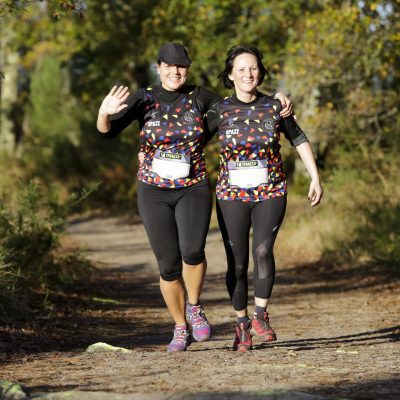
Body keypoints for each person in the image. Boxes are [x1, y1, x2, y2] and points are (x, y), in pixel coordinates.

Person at [97, 43, 292, 353]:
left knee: (192, 251)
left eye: (182, 66)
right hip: (153, 190)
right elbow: (106, 132)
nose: (176, 71)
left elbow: (241, 105)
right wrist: (103, 113)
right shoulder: (143, 98)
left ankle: (195, 306)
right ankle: (178, 327)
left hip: (193, 186)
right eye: (170, 66)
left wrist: (277, 102)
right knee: (167, 265)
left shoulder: (201, 97)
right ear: (158, 66)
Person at [205, 45, 323, 352]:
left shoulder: (275, 107)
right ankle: (241, 325)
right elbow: (192, 140)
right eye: (241, 69)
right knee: (238, 263)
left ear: (261, 72)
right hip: (231, 195)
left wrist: (315, 176)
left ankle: (260, 316)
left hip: (271, 191)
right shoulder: (220, 110)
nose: (248, 74)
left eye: (254, 68)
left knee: (263, 251)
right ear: (230, 75)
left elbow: (298, 138)